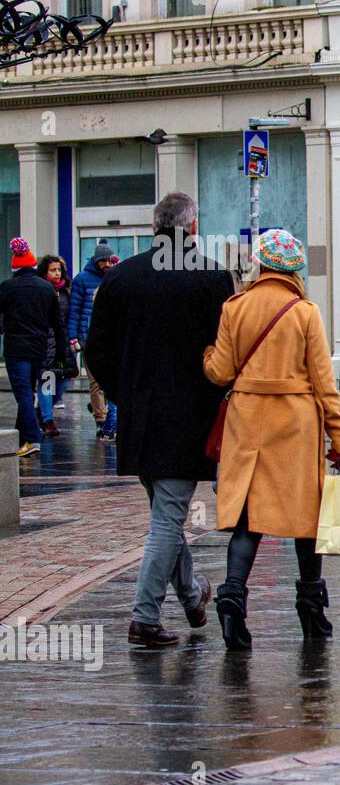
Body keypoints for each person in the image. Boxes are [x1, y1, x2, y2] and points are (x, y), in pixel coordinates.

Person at [84, 194, 233, 647]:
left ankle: (191, 594)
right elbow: (224, 354)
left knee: (164, 512)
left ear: (155, 227)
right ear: (192, 228)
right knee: (168, 520)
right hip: (190, 419)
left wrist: (122, 394)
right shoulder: (212, 276)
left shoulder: (121, 277)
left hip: (139, 416)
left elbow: (96, 352)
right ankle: (144, 617)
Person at [202, 229, 340, 650]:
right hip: (296, 423)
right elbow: (325, 382)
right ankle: (311, 610)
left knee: (250, 517)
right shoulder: (305, 312)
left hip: (247, 419)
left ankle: (232, 596)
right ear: (294, 270)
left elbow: (220, 372)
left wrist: (206, 357)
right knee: (307, 518)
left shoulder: (235, 307)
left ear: (261, 264)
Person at [0, 238, 67, 457]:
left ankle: (32, 438)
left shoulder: (7, 288)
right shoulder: (46, 288)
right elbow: (58, 324)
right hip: (39, 348)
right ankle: (22, 435)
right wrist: (60, 354)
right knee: (28, 391)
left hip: (16, 348)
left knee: (24, 394)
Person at [68, 242, 118, 442]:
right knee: (95, 381)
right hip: (89, 337)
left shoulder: (113, 277)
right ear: (96, 261)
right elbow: (75, 309)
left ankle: (106, 419)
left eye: (108, 260)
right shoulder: (82, 280)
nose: (106, 264)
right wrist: (74, 336)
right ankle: (101, 419)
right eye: (102, 261)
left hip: (110, 337)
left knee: (108, 380)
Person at [35, 254, 76, 438]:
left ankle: (42, 412)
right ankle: (48, 420)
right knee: (47, 380)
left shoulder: (66, 291)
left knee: (62, 382)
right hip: (45, 344)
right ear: (45, 272)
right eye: (53, 270)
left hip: (61, 345)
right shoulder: (41, 290)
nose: (57, 273)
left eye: (59, 270)